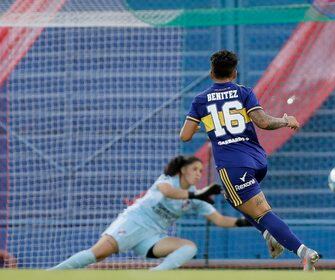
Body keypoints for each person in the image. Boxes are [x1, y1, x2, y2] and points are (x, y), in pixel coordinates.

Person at [180, 50, 320, 271]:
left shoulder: (200, 100)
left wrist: (205, 125)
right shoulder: (243, 92)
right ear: (234, 73)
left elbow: (185, 136)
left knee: (262, 213)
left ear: (211, 72)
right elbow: (263, 122)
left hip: (233, 165)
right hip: (257, 160)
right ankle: (268, 234)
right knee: (230, 194)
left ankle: (303, 252)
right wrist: (284, 120)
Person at [50, 155, 254, 271]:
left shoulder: (197, 198)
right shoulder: (168, 180)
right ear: (183, 170)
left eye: (201, 171)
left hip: (153, 237)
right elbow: (168, 192)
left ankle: (153, 276)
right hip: (133, 223)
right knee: (96, 255)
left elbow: (219, 219)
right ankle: (51, 274)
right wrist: (197, 194)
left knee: (189, 247)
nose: (199, 174)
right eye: (195, 169)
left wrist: (250, 222)